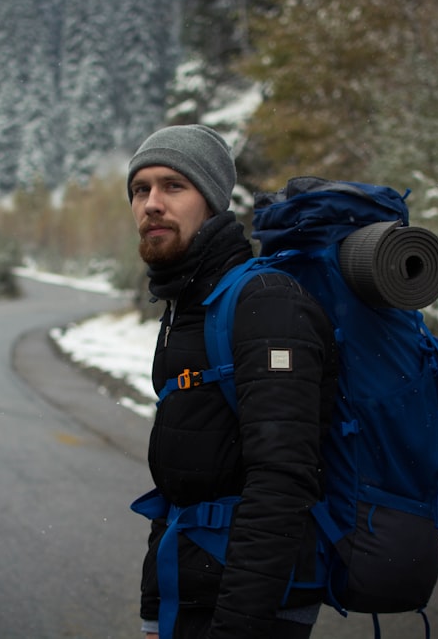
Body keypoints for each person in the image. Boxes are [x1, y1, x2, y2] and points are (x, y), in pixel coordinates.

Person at [126, 124, 339, 639]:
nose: (152, 203)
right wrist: (155, 613)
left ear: (214, 202)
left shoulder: (265, 303)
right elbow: (179, 486)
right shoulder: (186, 306)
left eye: (174, 186)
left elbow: (282, 483)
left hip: (249, 610)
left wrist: (236, 629)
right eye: (140, 189)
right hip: (190, 595)